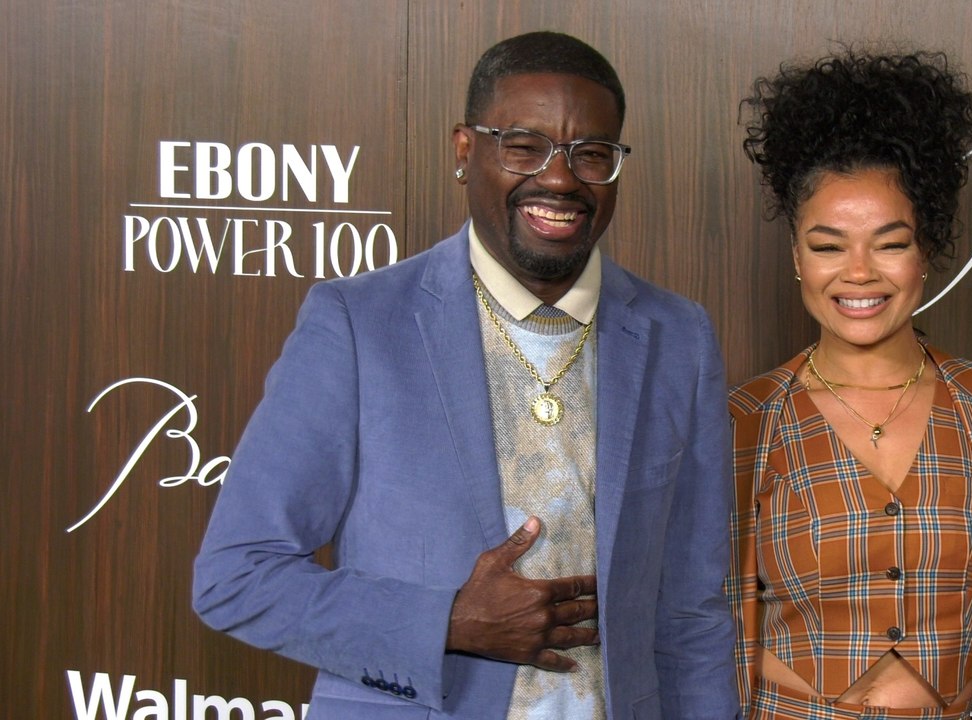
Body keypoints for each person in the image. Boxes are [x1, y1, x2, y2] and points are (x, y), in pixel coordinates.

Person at [193, 31, 738, 720]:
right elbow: (237, 576)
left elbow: (690, 610)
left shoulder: (678, 337)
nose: (561, 178)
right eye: (522, 144)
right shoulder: (359, 325)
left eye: (591, 155)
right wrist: (446, 621)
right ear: (464, 151)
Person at [725, 49, 972, 720]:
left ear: (927, 250)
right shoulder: (740, 421)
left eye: (889, 242)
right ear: (796, 256)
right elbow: (690, 624)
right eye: (828, 246)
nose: (859, 272)